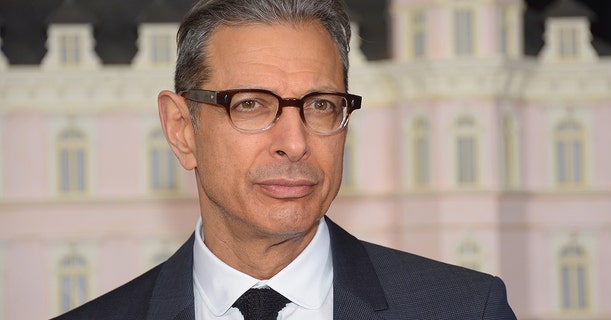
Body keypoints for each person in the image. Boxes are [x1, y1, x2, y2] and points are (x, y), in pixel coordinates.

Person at [53, 0, 516, 319]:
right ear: (180, 130)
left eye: (320, 105)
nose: (294, 143)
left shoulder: (465, 310)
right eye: (250, 104)